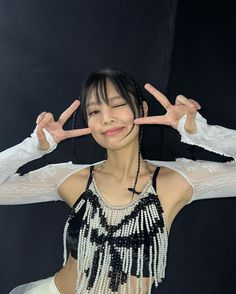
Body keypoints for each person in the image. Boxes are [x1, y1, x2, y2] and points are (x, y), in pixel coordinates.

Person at [0, 69, 235, 294]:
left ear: (141, 109)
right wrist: (34, 147)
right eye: (94, 112)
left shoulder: (177, 181)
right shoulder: (71, 178)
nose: (107, 119)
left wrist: (199, 132)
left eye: (118, 105)